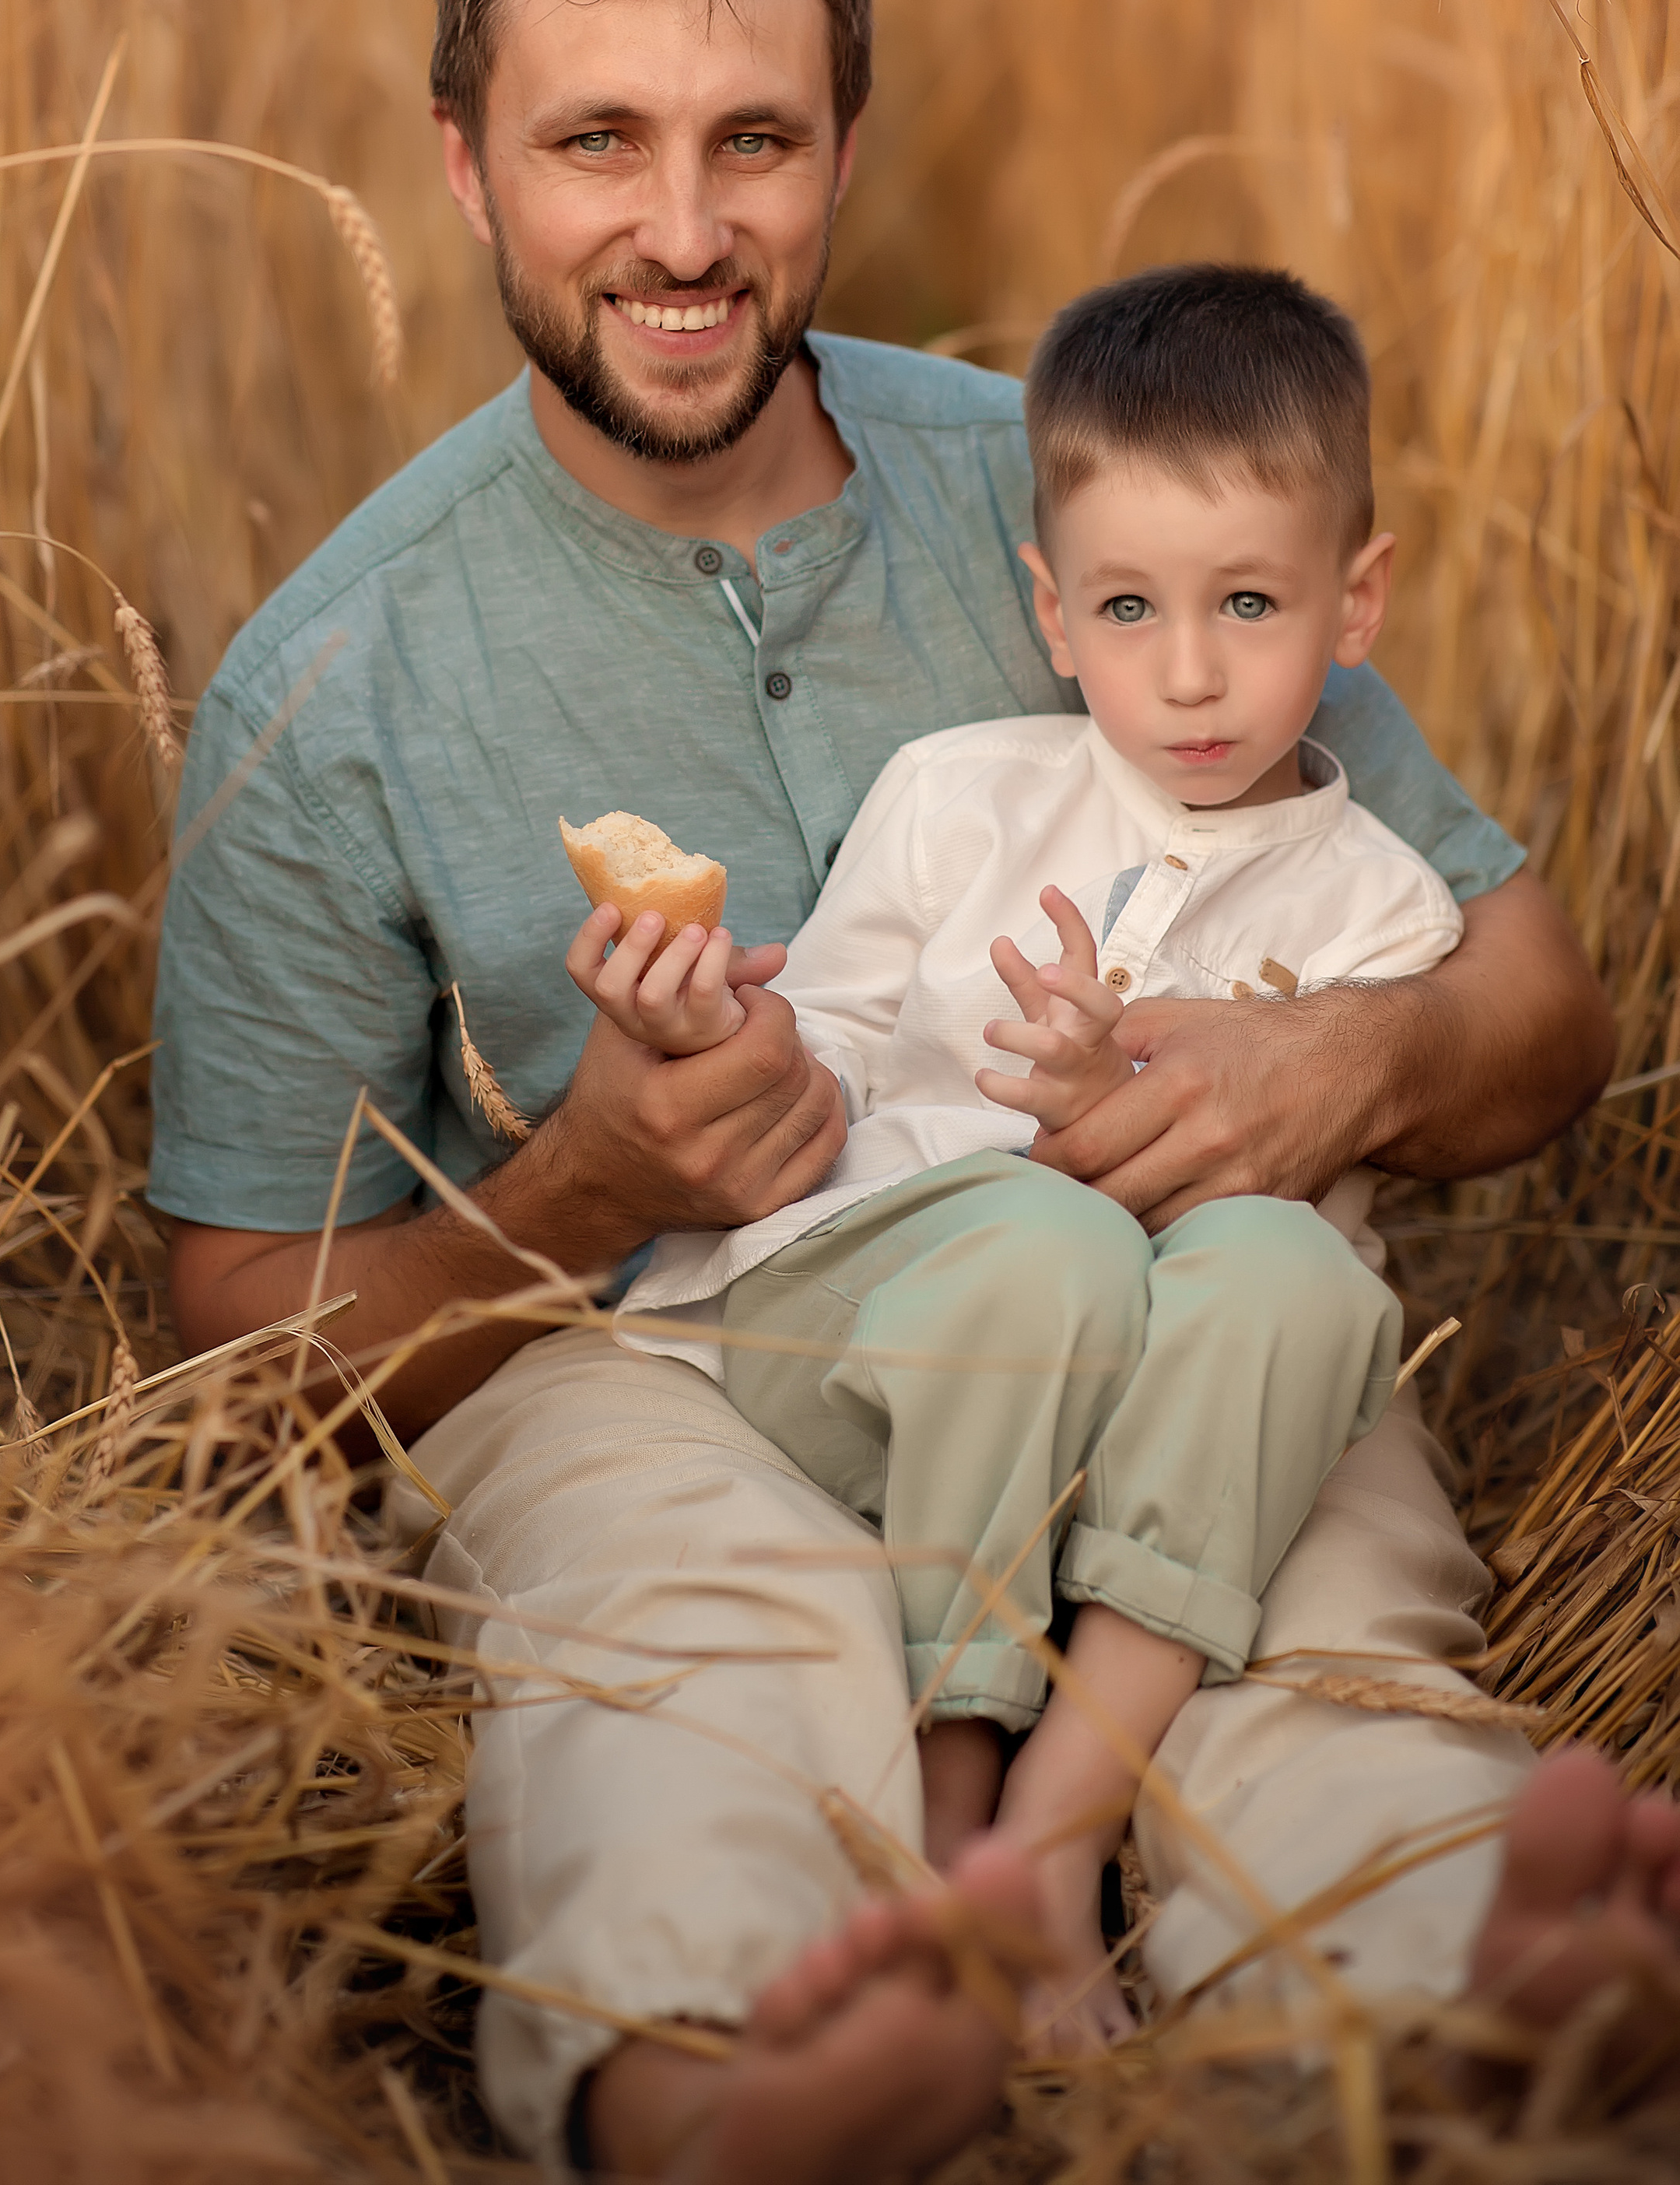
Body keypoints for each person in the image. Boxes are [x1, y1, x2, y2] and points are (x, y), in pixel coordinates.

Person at [149, 0, 1668, 2183]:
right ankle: (730, 2072)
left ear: (847, 146)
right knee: (697, 1643)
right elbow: (231, 1337)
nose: (680, 229)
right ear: (465, 168)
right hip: (654, 1342)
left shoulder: (1090, 491)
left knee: (1321, 1623)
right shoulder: (338, 680)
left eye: (754, 138)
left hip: (1186, 1292)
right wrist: (579, 1185)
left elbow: (1538, 1010)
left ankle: (1465, 1975)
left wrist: (1338, 1066)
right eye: (596, 143)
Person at [573, 261, 1451, 2046]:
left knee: (1293, 1276)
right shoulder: (960, 793)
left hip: (1166, 1406)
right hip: (891, 1339)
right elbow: (812, 1051)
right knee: (1044, 1242)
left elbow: (1283, 1249)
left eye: (1250, 604)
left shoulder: (1383, 912)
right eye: (1128, 607)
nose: (1187, 671)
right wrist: (714, 1034)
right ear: (1052, 616)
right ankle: (946, 1799)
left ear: (1353, 602)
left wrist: (1135, 1108)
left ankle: (1057, 1841)